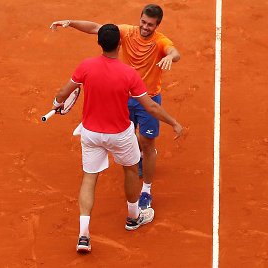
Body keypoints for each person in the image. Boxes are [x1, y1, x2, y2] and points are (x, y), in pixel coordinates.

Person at [49, 24, 183, 253]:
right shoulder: (128, 74)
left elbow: (62, 94)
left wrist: (56, 106)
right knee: (131, 170)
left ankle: (83, 234)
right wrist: (173, 122)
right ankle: (133, 218)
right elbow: (150, 106)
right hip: (120, 135)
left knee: (89, 179)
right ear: (119, 44)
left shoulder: (85, 67)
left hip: (90, 134)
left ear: (99, 43)